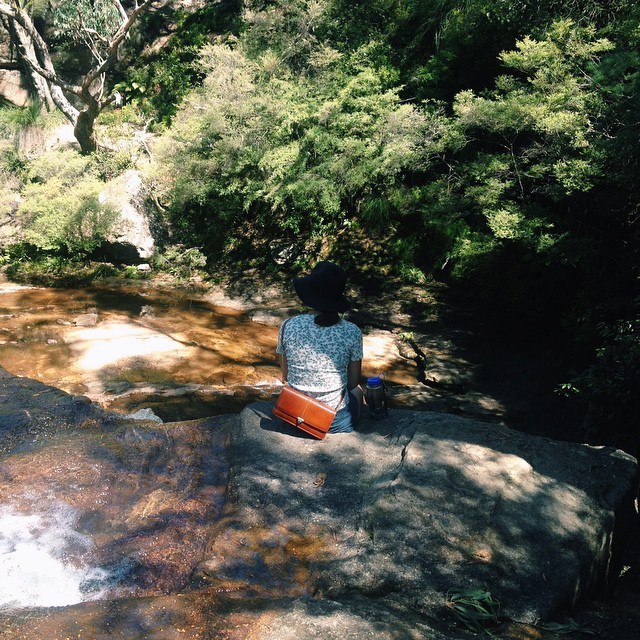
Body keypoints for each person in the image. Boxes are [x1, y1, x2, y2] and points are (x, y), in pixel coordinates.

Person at [276, 261, 363, 433]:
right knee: (358, 391)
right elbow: (353, 383)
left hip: (293, 416)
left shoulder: (288, 326)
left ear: (309, 295)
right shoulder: (352, 331)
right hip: (334, 421)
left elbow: (285, 376)